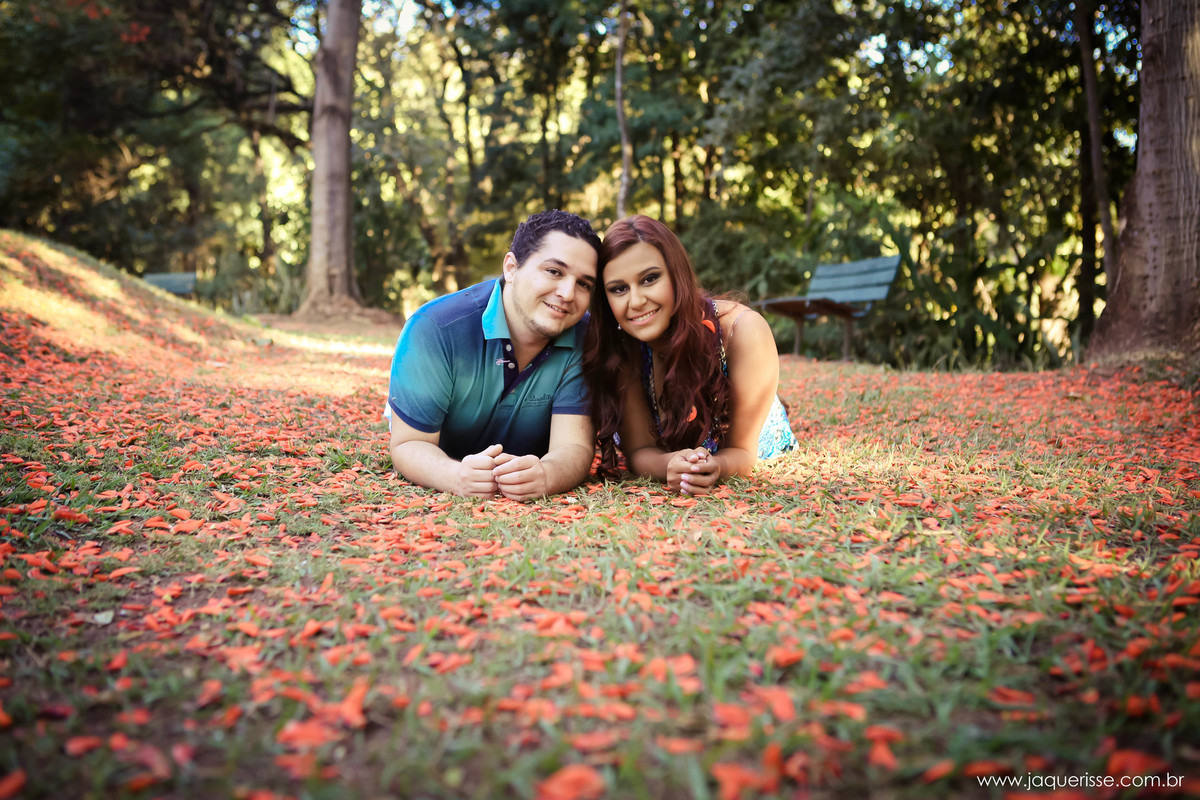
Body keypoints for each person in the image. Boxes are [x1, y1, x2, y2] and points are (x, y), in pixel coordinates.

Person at [386, 210, 601, 500]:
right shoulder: (434, 328)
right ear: (511, 268)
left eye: (584, 284)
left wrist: (547, 474)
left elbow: (574, 447)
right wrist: (455, 476)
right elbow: (409, 444)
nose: (567, 293)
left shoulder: (585, 338)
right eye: (554, 271)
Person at [582, 214, 797, 495]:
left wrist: (716, 467)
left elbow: (743, 451)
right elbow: (639, 452)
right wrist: (670, 463)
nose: (635, 301)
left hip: (749, 441)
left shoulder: (743, 331)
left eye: (649, 279)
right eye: (619, 289)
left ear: (677, 274)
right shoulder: (622, 350)